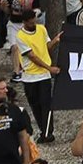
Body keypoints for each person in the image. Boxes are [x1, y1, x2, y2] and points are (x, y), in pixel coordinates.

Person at [16, 9, 62, 143]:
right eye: (30, 22)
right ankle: (43, 130)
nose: (33, 23)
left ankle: (48, 132)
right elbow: (32, 57)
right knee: (36, 105)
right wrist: (50, 68)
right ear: (24, 22)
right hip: (30, 75)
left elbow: (46, 46)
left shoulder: (41, 29)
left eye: (34, 20)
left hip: (43, 75)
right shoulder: (20, 36)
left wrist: (55, 40)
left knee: (46, 104)